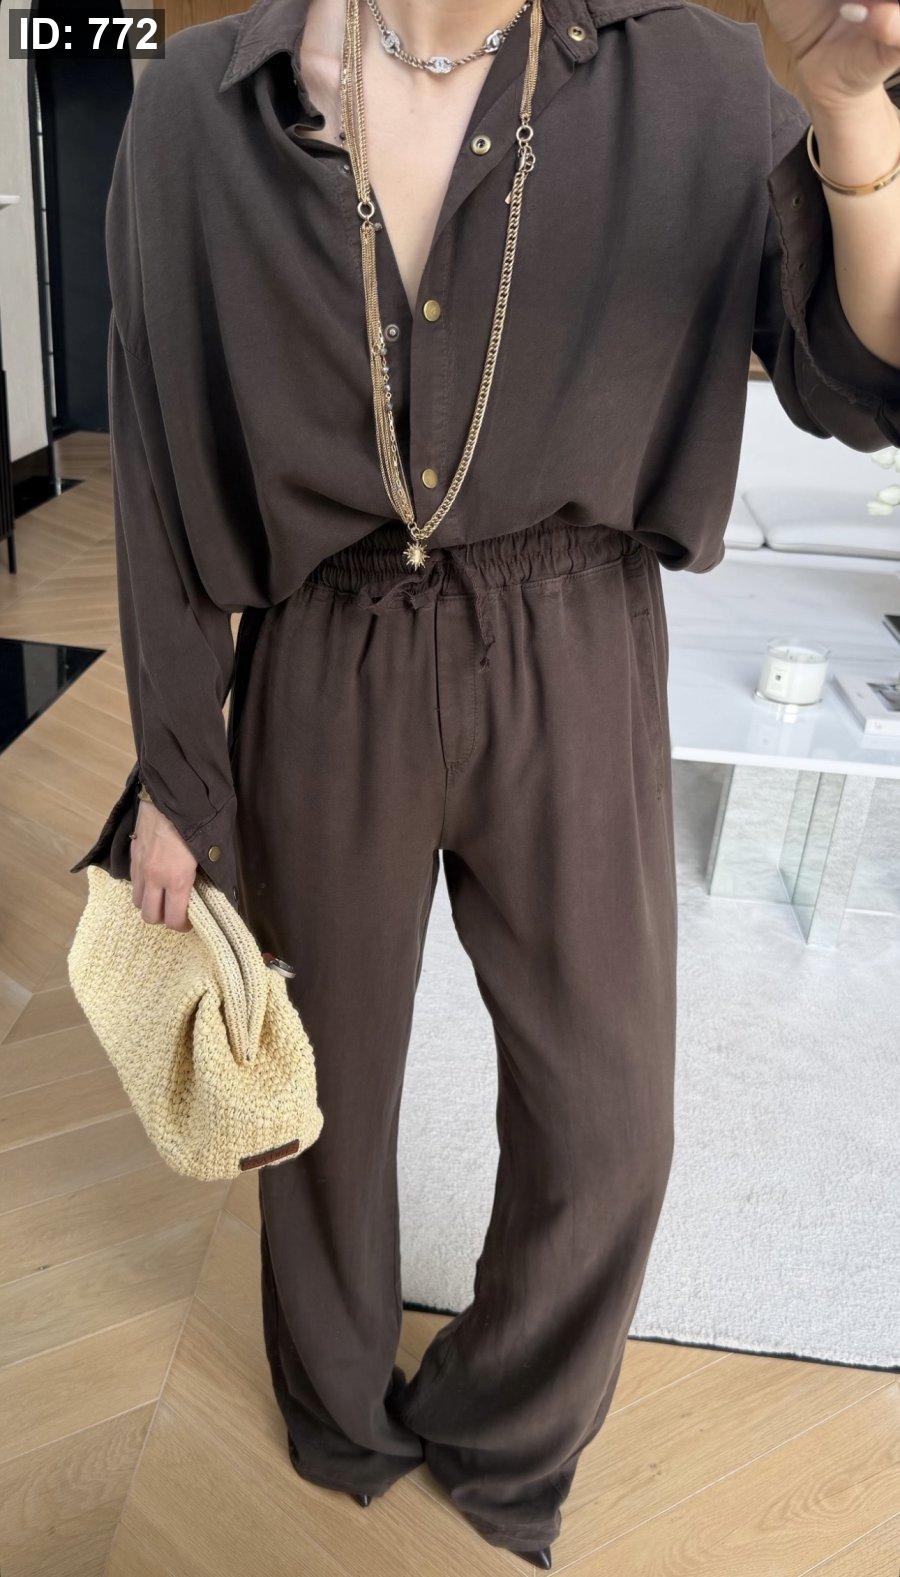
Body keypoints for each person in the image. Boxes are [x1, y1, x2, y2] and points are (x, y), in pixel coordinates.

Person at [72, 0, 900, 1563]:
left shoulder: (698, 78)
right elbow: (165, 469)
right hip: (323, 653)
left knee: (611, 1126)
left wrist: (854, 128)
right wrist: (178, 771)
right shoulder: (198, 109)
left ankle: (508, 1433)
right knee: (316, 1099)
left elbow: (863, 386)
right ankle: (335, 1408)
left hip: (573, 639)